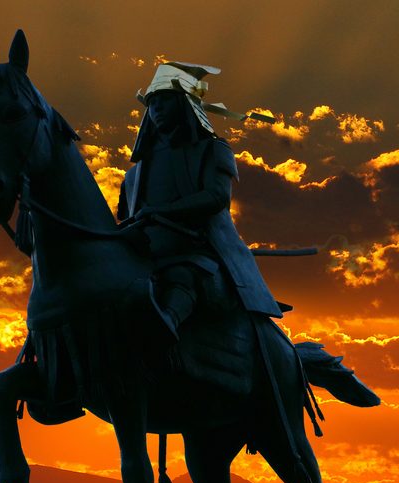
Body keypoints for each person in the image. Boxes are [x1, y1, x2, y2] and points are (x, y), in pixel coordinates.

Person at [117, 61, 282, 344]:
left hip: (197, 251)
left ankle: (167, 324)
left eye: (164, 102)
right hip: (146, 256)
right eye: (152, 104)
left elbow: (216, 197)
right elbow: (124, 218)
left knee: (184, 275)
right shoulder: (134, 175)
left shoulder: (214, 149)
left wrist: (161, 211)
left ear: (185, 105)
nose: (156, 110)